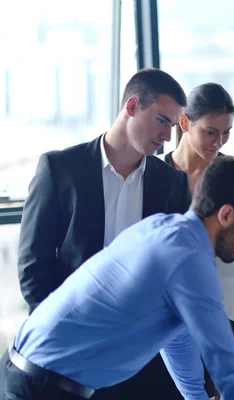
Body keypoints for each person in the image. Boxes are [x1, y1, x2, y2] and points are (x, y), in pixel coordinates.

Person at [0, 156, 234, 400]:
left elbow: (176, 339)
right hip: (43, 388)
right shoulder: (189, 259)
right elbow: (229, 365)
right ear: (226, 215)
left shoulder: (164, 229)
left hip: (29, 374)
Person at [17, 68, 192, 399]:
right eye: (162, 121)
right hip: (70, 354)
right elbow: (32, 265)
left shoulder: (172, 184)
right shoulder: (60, 169)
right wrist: (61, 334)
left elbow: (175, 271)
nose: (168, 137)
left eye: (173, 125)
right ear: (131, 107)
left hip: (142, 357)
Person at [162, 83, 234, 397]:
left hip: (227, 316)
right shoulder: (154, 176)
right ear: (186, 123)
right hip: (167, 320)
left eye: (226, 132)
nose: (219, 142)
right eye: (211, 132)